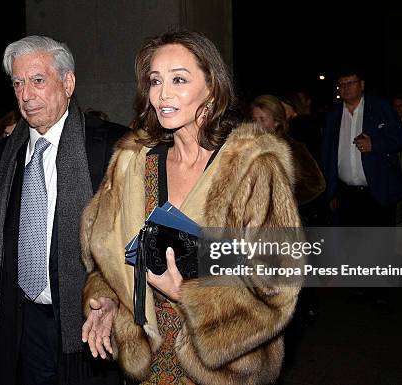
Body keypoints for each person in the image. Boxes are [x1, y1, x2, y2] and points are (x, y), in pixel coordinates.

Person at [80, 30, 301, 385]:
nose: (162, 94)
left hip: (222, 370)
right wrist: (107, 299)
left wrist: (186, 294)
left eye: (178, 79)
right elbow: (108, 251)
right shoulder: (137, 163)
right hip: (148, 364)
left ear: (211, 88)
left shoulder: (251, 167)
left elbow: (278, 286)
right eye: (155, 81)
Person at [0, 35, 128, 385]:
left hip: (88, 323)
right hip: (21, 321)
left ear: (67, 83)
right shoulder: (1, 157)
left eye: (38, 81)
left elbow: (133, 242)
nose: (26, 95)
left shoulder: (111, 149)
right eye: (18, 83)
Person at [321, 67, 402, 227]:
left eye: (350, 83)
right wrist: (331, 192)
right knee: (350, 246)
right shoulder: (333, 115)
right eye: (342, 84)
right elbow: (327, 155)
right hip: (345, 194)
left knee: (378, 245)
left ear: (362, 84)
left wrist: (375, 144)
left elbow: (401, 138)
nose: (345, 88)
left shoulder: (380, 108)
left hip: (377, 192)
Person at [251, 94, 326, 209]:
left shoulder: (292, 148)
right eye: (254, 119)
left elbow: (317, 184)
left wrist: (285, 200)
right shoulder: (247, 148)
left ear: (276, 122)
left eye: (262, 119)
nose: (256, 124)